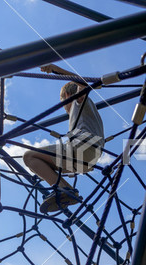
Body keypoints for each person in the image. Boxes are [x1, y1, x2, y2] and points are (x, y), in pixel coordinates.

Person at [23, 64, 104, 213]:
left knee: (29, 156)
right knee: (43, 166)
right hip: (88, 158)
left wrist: (57, 70)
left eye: (62, 103)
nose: (64, 108)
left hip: (81, 148)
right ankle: (63, 188)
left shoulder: (78, 102)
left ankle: (65, 189)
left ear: (67, 95)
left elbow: (84, 84)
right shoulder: (86, 114)